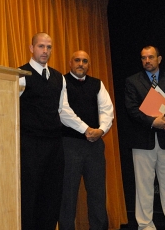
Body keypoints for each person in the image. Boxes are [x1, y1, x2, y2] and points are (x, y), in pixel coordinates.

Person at [19, 33, 100, 230]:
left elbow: (63, 111)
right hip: (30, 144)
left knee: (52, 193)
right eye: (41, 46)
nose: (45, 51)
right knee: (30, 194)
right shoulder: (21, 74)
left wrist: (86, 129)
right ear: (31, 48)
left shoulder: (58, 77)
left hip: (55, 145)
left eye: (48, 47)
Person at [125, 46, 165, 230]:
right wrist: (153, 122)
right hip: (142, 141)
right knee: (143, 187)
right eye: (143, 58)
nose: (147, 61)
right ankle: (145, 225)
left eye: (150, 57)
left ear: (159, 59)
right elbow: (131, 109)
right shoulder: (132, 81)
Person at [59, 50, 114, 230]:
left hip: (95, 146)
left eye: (84, 61)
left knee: (98, 194)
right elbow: (63, 111)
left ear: (89, 64)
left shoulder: (97, 84)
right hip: (69, 145)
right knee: (68, 194)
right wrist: (86, 129)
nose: (81, 64)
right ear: (70, 62)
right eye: (77, 60)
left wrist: (100, 130)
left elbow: (107, 110)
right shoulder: (61, 82)